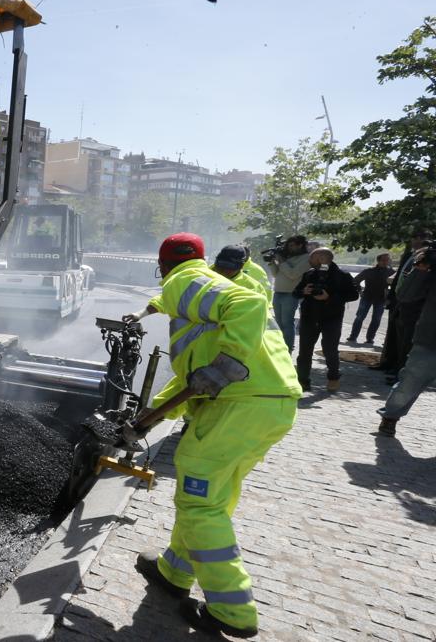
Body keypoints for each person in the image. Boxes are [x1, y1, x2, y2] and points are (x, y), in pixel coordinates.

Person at [123, 233, 301, 638]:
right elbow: (195, 376)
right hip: (269, 403)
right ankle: (174, 572)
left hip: (238, 403)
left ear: (163, 266)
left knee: (199, 505)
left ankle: (231, 611)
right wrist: (149, 417)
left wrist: (229, 363)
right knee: (210, 498)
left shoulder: (184, 280)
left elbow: (248, 307)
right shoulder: (216, 286)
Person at [377, 247, 434, 436]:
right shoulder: (430, 270)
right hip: (430, 341)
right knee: (409, 382)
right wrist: (421, 269)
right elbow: (405, 295)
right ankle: (390, 417)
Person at [292, 248, 357, 392]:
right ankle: (303, 381)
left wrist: (329, 297)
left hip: (331, 318)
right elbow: (295, 293)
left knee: (330, 350)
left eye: (312, 257)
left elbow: (353, 295)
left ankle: (333, 377)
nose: (309, 260)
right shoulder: (309, 275)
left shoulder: (342, 276)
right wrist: (304, 291)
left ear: (322, 258)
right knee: (304, 352)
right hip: (309, 317)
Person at [378, 228, 433, 377]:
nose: (415, 240)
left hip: (415, 304)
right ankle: (390, 363)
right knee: (395, 335)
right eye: (414, 237)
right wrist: (391, 296)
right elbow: (399, 277)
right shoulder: (409, 255)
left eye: (420, 238)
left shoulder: (429, 259)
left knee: (407, 339)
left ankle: (399, 371)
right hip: (399, 300)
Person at [265, 235, 312, 352]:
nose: (289, 248)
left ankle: (287, 349)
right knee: (278, 323)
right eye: (288, 245)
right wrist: (272, 263)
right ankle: (279, 347)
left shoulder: (306, 258)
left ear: (300, 245)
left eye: (292, 245)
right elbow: (276, 274)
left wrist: (281, 261)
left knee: (287, 323)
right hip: (278, 292)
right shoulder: (288, 258)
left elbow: (293, 274)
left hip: (290, 294)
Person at [347, 253, 393, 345]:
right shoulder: (369, 271)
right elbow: (355, 281)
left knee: (376, 319)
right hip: (367, 297)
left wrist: (389, 297)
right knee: (360, 317)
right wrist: (360, 291)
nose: (386, 262)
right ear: (378, 261)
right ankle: (353, 336)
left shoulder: (391, 272)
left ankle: (370, 338)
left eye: (387, 260)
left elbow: (394, 286)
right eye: (384, 260)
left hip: (381, 299)